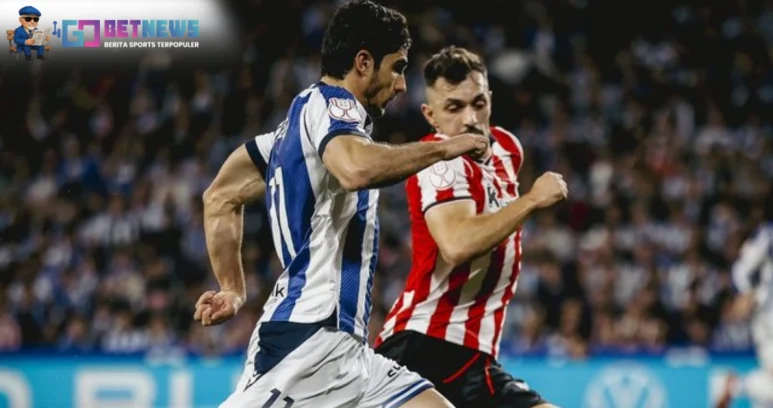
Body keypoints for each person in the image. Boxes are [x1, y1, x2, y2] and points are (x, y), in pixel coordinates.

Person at [193, 2, 488, 408]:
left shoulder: (287, 136)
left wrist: (232, 288)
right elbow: (356, 169)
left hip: (350, 352)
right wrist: (445, 148)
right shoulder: (330, 103)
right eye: (397, 67)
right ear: (363, 63)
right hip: (306, 345)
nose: (402, 85)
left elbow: (221, 195)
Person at [374, 46, 566, 408]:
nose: (470, 119)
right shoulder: (438, 161)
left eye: (478, 103)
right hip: (420, 348)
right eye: (454, 108)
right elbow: (457, 244)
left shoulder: (507, 148)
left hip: (474, 358)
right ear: (431, 116)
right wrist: (531, 200)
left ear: (490, 100)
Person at [729, 196, 773, 408]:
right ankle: (738, 385)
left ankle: (738, 385)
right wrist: (747, 292)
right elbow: (742, 268)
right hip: (768, 317)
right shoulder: (768, 234)